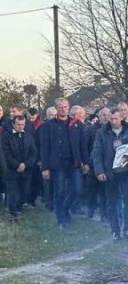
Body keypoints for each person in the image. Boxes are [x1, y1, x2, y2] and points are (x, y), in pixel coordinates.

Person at [92, 108, 128, 240]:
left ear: (122, 118)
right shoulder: (102, 132)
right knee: (112, 201)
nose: (113, 121)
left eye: (116, 119)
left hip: (126, 171)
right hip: (110, 172)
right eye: (111, 119)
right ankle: (115, 230)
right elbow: (97, 153)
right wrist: (99, 171)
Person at [39, 97, 83, 228]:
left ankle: (64, 209)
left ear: (68, 107)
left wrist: (85, 162)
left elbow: (82, 145)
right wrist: (45, 168)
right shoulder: (48, 126)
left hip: (73, 163)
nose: (63, 109)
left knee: (77, 190)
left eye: (65, 107)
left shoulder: (77, 125)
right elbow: (44, 147)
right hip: (57, 164)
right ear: (56, 109)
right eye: (60, 107)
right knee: (59, 191)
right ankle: (61, 219)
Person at [2, 114, 37, 222]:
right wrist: (17, 165)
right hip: (11, 170)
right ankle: (13, 213)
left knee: (24, 191)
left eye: (23, 125)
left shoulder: (29, 136)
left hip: (26, 169)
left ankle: (18, 209)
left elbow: (33, 153)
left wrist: (25, 164)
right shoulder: (6, 136)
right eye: (18, 125)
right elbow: (6, 154)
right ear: (13, 124)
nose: (21, 127)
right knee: (13, 192)